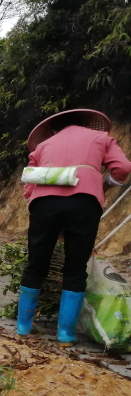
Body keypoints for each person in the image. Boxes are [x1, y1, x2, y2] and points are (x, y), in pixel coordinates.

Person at [17, 109, 131, 343]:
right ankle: (65, 333)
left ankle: (23, 327)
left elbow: (28, 188)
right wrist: (103, 184)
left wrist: (45, 208)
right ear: (86, 124)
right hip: (84, 203)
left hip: (44, 205)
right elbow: (123, 168)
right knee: (76, 268)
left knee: (36, 264)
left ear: (53, 130)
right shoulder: (101, 138)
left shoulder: (42, 147)